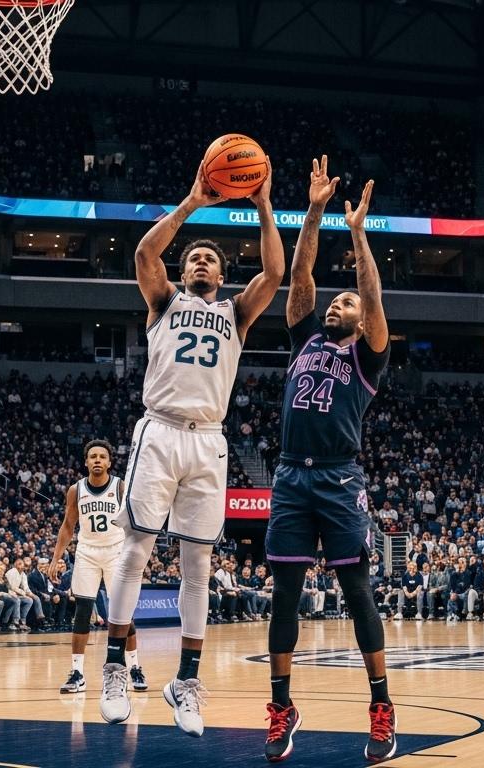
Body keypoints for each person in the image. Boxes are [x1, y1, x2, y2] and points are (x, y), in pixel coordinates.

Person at [99, 155, 282, 735]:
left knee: (197, 564)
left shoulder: (236, 313)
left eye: (210, 258)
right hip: (158, 429)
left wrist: (262, 204)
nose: (200, 261)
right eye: (193, 258)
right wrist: (193, 202)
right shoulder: (163, 303)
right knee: (135, 547)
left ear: (222, 276)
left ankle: (187, 680)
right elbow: (144, 255)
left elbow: (275, 274)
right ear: (184, 273)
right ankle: (111, 668)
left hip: (209, 440)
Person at [263, 162, 396, 763]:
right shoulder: (302, 338)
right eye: (334, 300)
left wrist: (359, 234)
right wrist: (314, 211)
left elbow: (370, 293)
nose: (338, 305)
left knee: (357, 589)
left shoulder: (369, 357)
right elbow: (299, 274)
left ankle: (381, 706)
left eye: (347, 302)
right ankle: (282, 706)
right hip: (291, 472)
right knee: (284, 593)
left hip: (340, 477)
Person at [46, 440, 145, 695]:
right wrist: (56, 558)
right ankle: (77, 673)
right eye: (93, 456)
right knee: (82, 612)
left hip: (116, 552)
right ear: (86, 462)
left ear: (109, 462)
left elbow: (134, 522)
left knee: (122, 613)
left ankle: (134, 667)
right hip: (87, 553)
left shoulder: (119, 486)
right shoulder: (75, 490)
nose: (98, 460)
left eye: (102, 456)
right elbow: (68, 526)